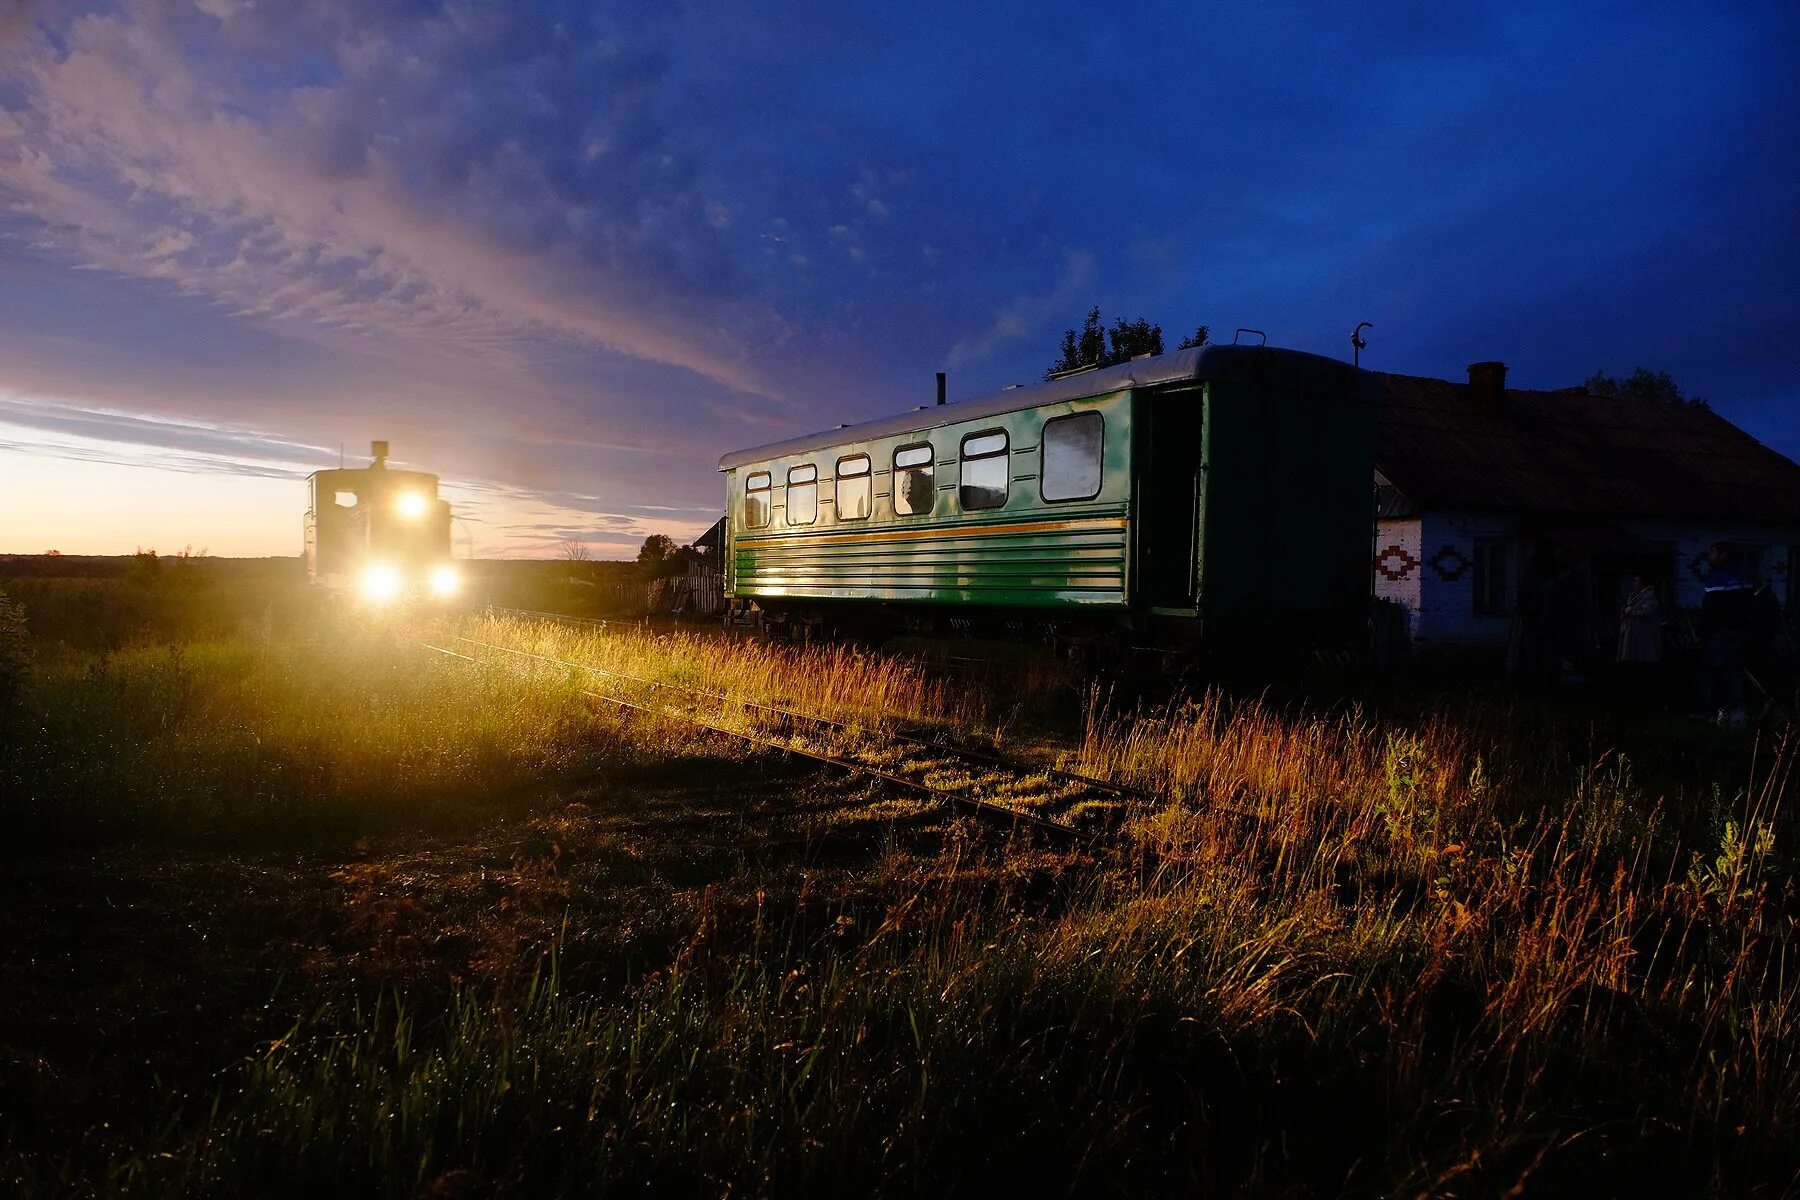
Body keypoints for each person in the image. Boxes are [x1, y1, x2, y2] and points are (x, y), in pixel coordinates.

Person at [1699, 542, 1753, 725]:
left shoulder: (1718, 578)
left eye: (1712, 552)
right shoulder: (1743, 575)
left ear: (1723, 554)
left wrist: (1705, 630)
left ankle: (1720, 714)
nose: (1709, 557)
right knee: (1735, 671)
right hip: (1739, 631)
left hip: (1720, 633)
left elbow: (1710, 608)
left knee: (1717, 673)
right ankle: (1738, 714)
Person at [1617, 575, 1662, 664]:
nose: (1634, 584)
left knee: (1642, 657)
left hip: (1642, 633)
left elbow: (1646, 612)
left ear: (1643, 584)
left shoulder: (1650, 597)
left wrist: (1630, 612)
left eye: (1637, 581)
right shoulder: (1634, 596)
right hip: (1632, 632)